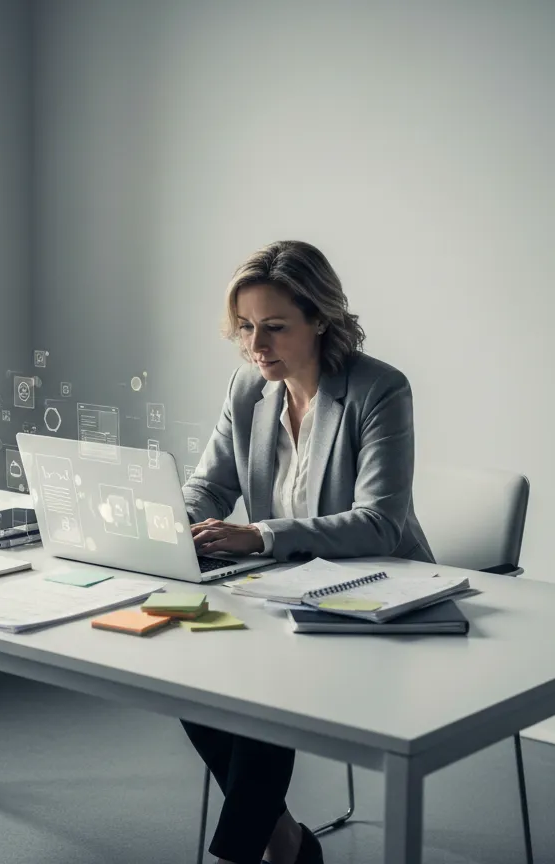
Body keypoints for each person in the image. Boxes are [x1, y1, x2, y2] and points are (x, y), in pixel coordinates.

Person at [181, 239, 435, 864]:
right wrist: (169, 526)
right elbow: (210, 485)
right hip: (278, 589)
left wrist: (262, 536)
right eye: (244, 329)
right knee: (187, 669)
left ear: (320, 319)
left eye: (273, 328)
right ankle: (285, 845)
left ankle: (244, 853)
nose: (255, 347)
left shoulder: (379, 390)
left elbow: (379, 523)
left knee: (269, 682)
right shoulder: (249, 388)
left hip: (378, 590)